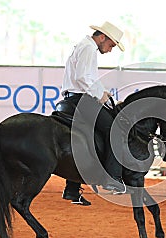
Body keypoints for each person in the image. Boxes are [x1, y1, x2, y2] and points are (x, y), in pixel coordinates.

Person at [60, 21, 126, 205]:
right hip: (82, 100)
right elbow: (83, 78)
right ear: (102, 37)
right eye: (111, 45)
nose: (111, 49)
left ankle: (72, 189)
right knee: (115, 129)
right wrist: (100, 96)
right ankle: (112, 179)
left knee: (85, 136)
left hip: (72, 98)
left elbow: (86, 78)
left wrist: (104, 94)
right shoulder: (89, 48)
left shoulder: (84, 46)